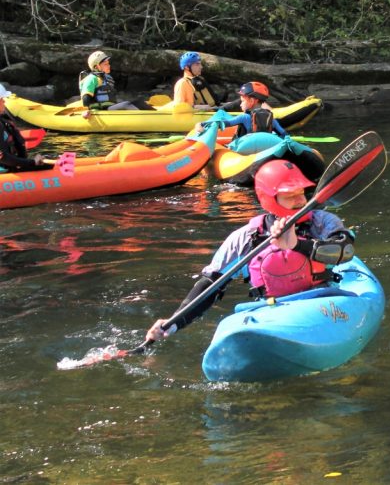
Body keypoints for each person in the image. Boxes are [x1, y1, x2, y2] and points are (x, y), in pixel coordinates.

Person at [145, 160, 356, 344]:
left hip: (322, 301)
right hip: (273, 309)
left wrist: (297, 246)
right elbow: (211, 284)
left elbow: (345, 252)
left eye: (300, 192)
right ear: (270, 199)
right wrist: (174, 322)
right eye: (290, 195)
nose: (300, 200)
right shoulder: (246, 237)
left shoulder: (322, 221)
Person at [0, 83, 52, 173]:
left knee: (47, 162)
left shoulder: (4, 122)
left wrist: (29, 162)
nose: (4, 102)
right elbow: (3, 158)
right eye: (1, 99)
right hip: (5, 173)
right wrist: (32, 162)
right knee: (47, 166)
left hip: (10, 167)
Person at [78, 51, 151, 115]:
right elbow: (86, 97)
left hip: (109, 109)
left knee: (139, 102)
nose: (109, 66)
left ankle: (156, 115)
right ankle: (148, 119)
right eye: (105, 64)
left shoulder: (107, 78)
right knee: (125, 104)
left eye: (108, 63)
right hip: (100, 111)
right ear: (97, 67)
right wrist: (86, 111)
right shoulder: (91, 79)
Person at [211, 82, 287, 139]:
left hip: (243, 150)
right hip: (265, 149)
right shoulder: (272, 120)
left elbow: (222, 124)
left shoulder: (244, 117)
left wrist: (202, 125)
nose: (240, 104)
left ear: (251, 101)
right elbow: (285, 135)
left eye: (242, 101)